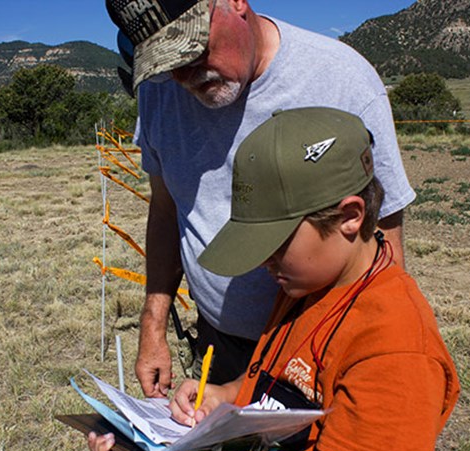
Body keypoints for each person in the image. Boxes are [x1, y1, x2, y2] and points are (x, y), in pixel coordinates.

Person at [89, 107, 459, 451]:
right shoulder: (306, 286)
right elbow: (273, 387)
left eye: (277, 242)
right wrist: (224, 397)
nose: (263, 260)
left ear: (350, 216)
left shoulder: (395, 347)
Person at [105, 0, 416, 398]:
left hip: (322, 344)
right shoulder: (158, 93)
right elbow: (166, 209)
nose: (184, 75)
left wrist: (379, 354)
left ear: (236, 3)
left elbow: (384, 230)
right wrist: (153, 325)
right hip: (221, 342)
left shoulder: (340, 78)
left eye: (193, 49)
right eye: (165, 65)